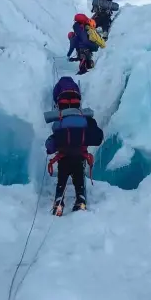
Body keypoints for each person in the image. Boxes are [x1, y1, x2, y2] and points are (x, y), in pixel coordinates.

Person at [46, 77, 104, 215]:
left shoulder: (60, 121)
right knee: (78, 178)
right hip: (79, 155)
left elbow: (51, 144)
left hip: (63, 156)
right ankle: (81, 200)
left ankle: (59, 203)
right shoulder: (84, 119)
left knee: (62, 178)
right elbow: (97, 137)